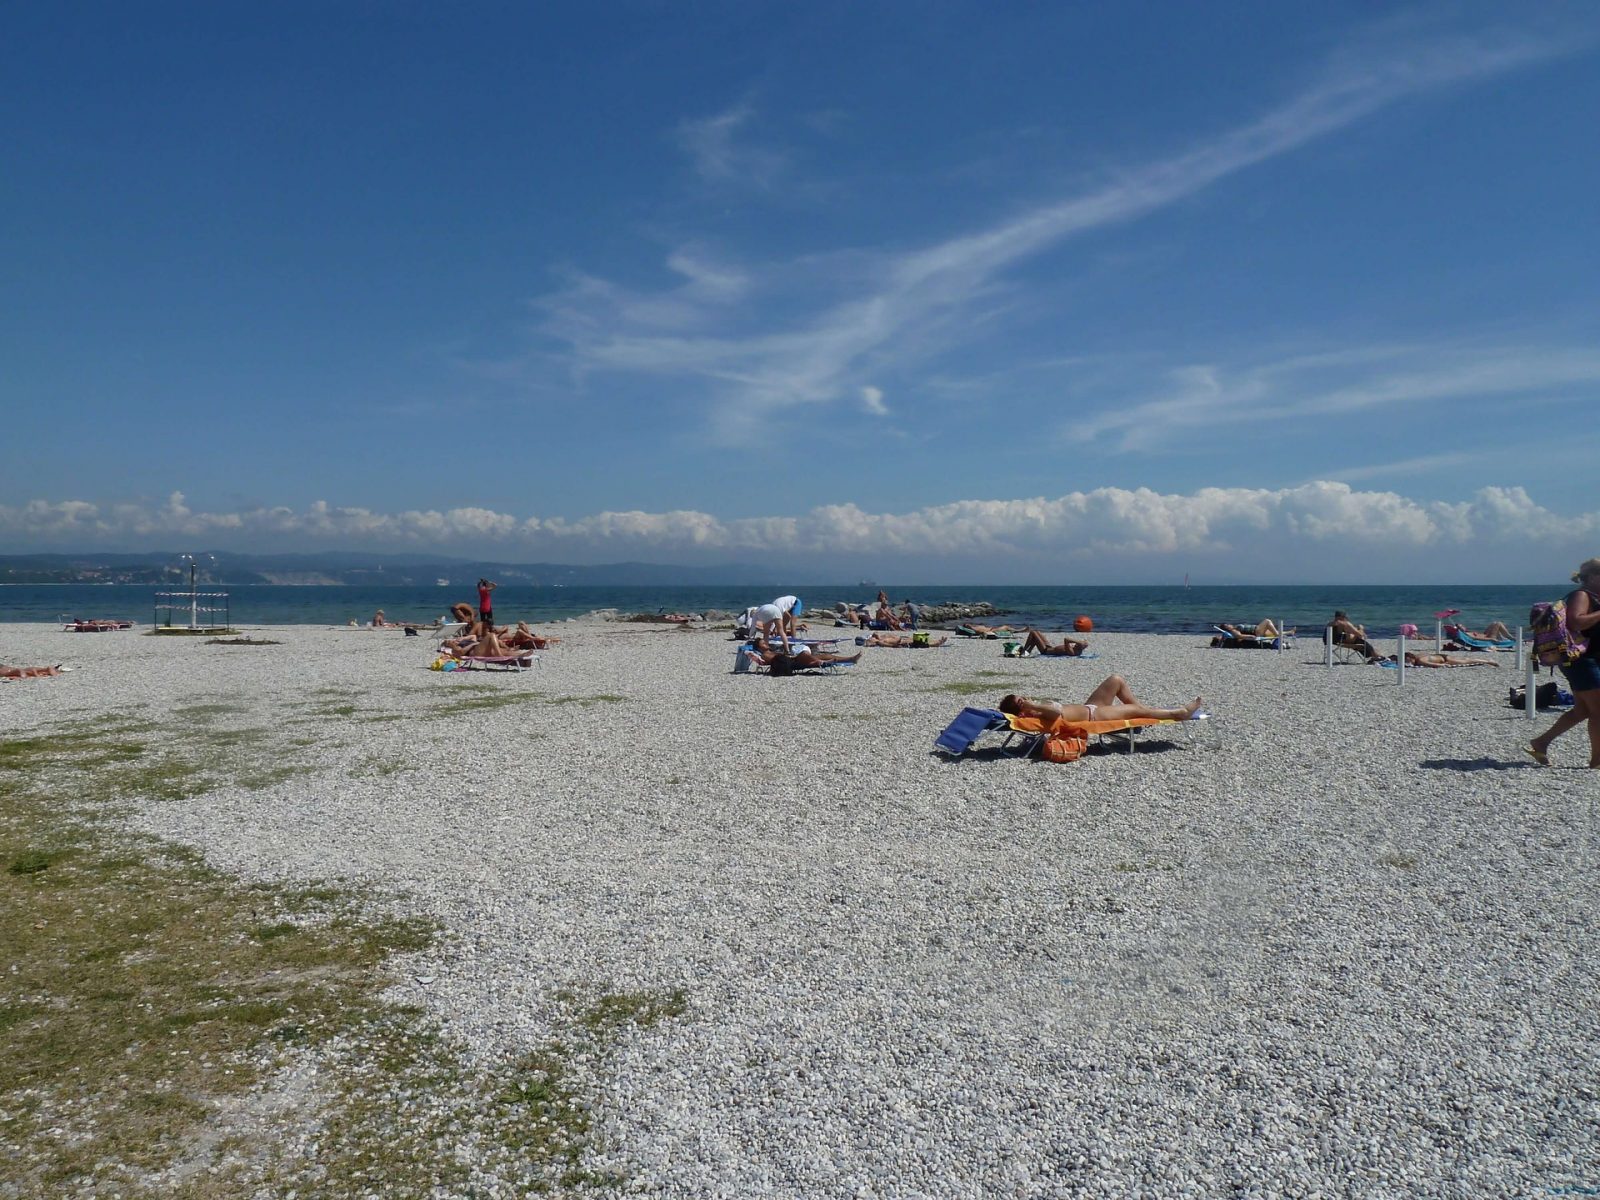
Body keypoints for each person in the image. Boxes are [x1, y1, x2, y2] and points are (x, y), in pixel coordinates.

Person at [1528, 558, 1600, 767]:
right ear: (1594, 577)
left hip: (1587, 660)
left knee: (1583, 710)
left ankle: (1541, 742)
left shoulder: (1594, 597)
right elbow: (1576, 620)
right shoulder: (1582, 595)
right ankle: (1597, 761)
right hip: (1582, 661)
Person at [999, 677, 1202, 726]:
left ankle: (1140, 709)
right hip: (1097, 716)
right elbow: (1057, 713)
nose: (1025, 699)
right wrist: (1032, 705)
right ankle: (1180, 713)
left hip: (1091, 706)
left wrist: (1031, 703)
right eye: (1021, 701)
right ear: (1021, 712)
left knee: (1116, 679)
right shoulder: (1038, 713)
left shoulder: (1036, 709)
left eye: (1022, 697)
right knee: (1135, 710)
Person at [746, 637, 860, 674]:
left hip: (792, 659)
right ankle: (821, 663)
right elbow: (777, 660)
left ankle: (850, 659)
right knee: (805, 653)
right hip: (791, 662)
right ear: (759, 647)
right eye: (763, 643)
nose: (766, 643)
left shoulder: (770, 651)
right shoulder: (766, 655)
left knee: (825, 654)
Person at [1018, 628, 1089, 657]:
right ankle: (1028, 651)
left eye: (1078, 644)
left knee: (1033, 632)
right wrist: (1080, 643)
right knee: (1037, 632)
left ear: (1080, 647)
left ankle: (1024, 650)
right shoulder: (1075, 649)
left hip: (1045, 651)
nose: (1076, 643)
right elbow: (1085, 643)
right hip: (1049, 647)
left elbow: (1066, 639)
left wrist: (1078, 641)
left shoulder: (1072, 652)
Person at [1401, 651, 1499, 668]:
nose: (1409, 663)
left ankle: (1488, 661)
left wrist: (1444, 665)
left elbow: (1434, 665)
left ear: (1410, 658)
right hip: (1440, 656)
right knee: (1467, 659)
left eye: (1408, 660)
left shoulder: (1420, 660)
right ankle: (1487, 660)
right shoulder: (1418, 655)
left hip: (1444, 659)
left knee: (1467, 660)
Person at [863, 632, 949, 648]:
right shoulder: (880, 642)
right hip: (902, 642)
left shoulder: (881, 637)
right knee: (916, 642)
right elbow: (892, 645)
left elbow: (875, 633)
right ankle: (936, 643)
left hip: (902, 639)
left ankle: (936, 641)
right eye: (872, 638)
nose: (873, 637)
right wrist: (896, 644)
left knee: (915, 639)